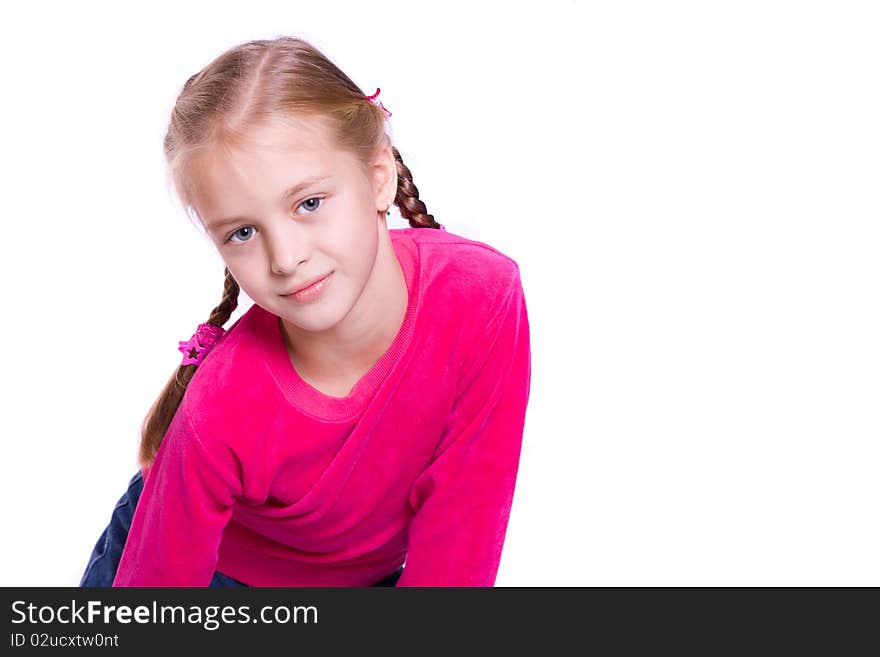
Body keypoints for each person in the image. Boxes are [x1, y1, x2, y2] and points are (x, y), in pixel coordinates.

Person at [79, 35, 531, 587]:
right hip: (207, 572)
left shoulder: (481, 296)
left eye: (309, 204)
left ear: (378, 176)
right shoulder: (221, 406)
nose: (287, 258)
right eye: (243, 232)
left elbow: (462, 537)